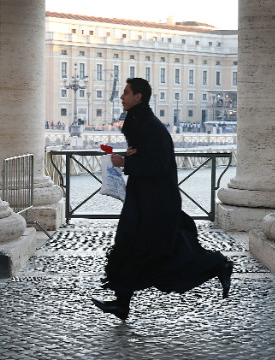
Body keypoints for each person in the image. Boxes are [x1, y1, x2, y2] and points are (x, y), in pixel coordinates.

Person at [92, 78, 233, 321]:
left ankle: (219, 264)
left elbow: (158, 164)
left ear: (138, 97)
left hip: (156, 201)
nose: (121, 97)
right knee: (130, 244)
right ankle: (121, 303)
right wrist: (128, 157)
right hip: (144, 197)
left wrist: (125, 162)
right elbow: (146, 156)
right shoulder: (137, 121)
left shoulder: (148, 125)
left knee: (162, 250)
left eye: (126, 93)